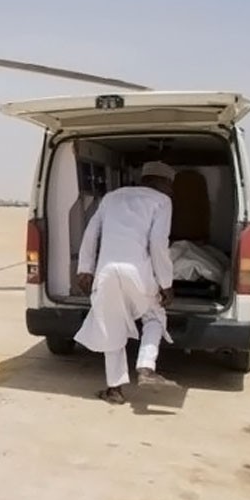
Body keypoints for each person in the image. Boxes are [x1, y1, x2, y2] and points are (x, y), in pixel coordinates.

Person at [74, 161, 180, 405]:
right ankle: (146, 365)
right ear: (164, 182)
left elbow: (91, 233)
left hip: (106, 273)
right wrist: (166, 283)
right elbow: (158, 243)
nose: (171, 191)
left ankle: (114, 390)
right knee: (154, 316)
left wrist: (84, 269)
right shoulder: (162, 201)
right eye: (171, 186)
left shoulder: (111, 197)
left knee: (111, 327)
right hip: (138, 273)